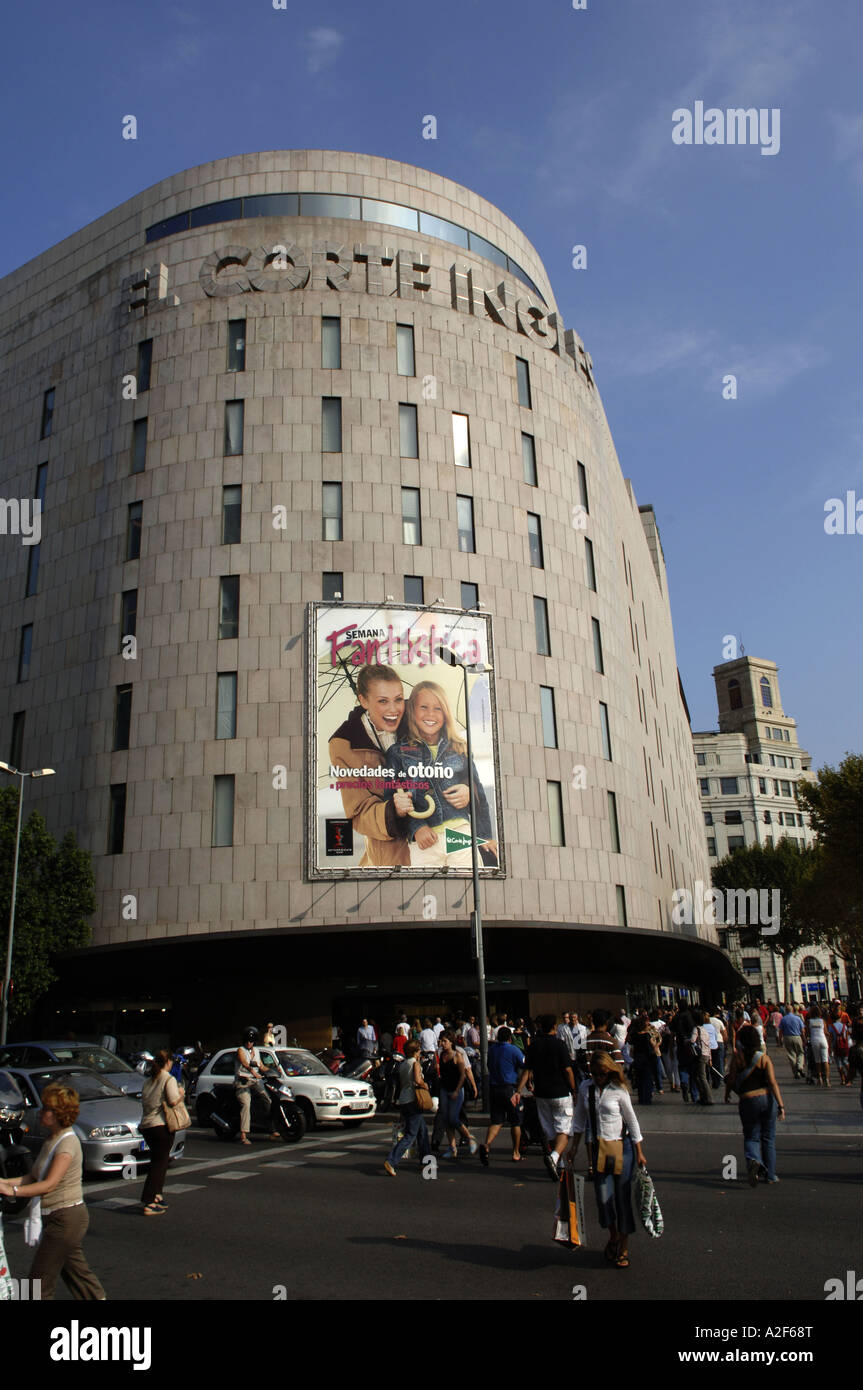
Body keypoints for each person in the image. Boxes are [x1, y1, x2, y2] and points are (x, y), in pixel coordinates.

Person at [0, 1082, 106, 1300]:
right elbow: (33, 1176)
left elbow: (49, 1184)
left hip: (66, 1218)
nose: (41, 1112)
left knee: (36, 1285)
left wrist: (13, 1191)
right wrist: (4, 1182)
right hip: (57, 1218)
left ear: (59, 1114)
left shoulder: (67, 1144)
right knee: (78, 1276)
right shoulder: (52, 1139)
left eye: (47, 1108)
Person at [387, 681, 498, 868]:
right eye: (424, 707)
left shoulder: (459, 748)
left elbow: (478, 796)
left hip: (460, 834)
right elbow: (393, 798)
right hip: (423, 842)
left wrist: (485, 836)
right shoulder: (397, 753)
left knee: (466, 889)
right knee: (426, 893)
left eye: (438, 708)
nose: (431, 714)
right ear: (412, 710)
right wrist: (416, 829)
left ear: (445, 713)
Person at [328, 663, 414, 867]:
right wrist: (394, 811)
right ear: (363, 700)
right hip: (391, 855)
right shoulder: (343, 744)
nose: (394, 710)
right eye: (383, 701)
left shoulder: (419, 716)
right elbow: (358, 813)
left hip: (434, 843)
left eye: (398, 699)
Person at [569, 1051, 647, 1269]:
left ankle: (623, 1246)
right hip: (600, 1149)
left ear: (609, 1071)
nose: (598, 1077)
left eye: (602, 1073)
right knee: (603, 1199)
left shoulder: (618, 1090)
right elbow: (579, 1119)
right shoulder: (586, 1088)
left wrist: (640, 1151)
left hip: (623, 1148)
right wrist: (574, 1147)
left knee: (622, 1199)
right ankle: (613, 1235)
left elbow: (632, 1122)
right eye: (594, 1074)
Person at [515, 1014, 576, 1181]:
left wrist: (518, 1090)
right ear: (554, 1027)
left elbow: (527, 1070)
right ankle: (555, 1157)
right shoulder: (560, 1044)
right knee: (565, 1129)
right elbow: (568, 1070)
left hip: (541, 1093)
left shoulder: (534, 1046)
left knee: (550, 1131)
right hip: (561, 1092)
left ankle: (559, 1163)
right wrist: (574, 1089)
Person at [725, 1024, 785, 1184]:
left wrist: (727, 1094)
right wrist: (781, 1105)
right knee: (768, 1138)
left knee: (751, 1136)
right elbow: (772, 1082)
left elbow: (731, 1079)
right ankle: (771, 1175)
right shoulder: (764, 1058)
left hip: (747, 1100)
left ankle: (754, 1159)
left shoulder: (737, 1058)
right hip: (766, 1098)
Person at [138, 1048, 183, 1216]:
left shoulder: (149, 1080)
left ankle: (157, 1195)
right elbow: (172, 1100)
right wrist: (181, 1095)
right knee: (159, 1164)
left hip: (147, 1125)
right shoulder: (168, 1079)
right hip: (161, 1125)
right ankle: (149, 1201)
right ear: (169, 1062)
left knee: (159, 1161)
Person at [384, 1042, 431, 1176]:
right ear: (416, 1052)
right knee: (411, 1134)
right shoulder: (415, 1064)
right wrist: (425, 1085)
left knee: (422, 1130)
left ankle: (426, 1161)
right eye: (419, 1050)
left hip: (404, 1099)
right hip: (413, 1100)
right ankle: (391, 1160)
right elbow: (417, 1080)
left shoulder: (403, 1064)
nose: (420, 1052)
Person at [480, 1027, 525, 1165]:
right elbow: (524, 1065)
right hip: (509, 1088)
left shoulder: (492, 1050)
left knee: (496, 1121)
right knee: (515, 1121)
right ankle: (516, 1152)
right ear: (510, 1038)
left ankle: (487, 1145)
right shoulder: (513, 1050)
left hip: (494, 1088)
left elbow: (488, 1065)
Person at [234, 1027, 278, 1144]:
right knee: (246, 1103)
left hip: (255, 1081)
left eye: (251, 1041)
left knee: (267, 1099)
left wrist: (273, 1071)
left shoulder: (257, 1051)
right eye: (247, 1041)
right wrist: (252, 1071)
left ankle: (271, 1128)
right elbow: (244, 1062)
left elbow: (261, 1066)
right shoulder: (240, 1050)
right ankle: (243, 1135)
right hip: (243, 1082)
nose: (249, 1043)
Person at [437, 1031, 478, 1159]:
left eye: (444, 1041)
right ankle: (452, 1147)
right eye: (441, 1041)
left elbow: (463, 1075)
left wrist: (457, 1090)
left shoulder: (457, 1055)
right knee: (446, 1119)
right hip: (444, 1089)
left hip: (456, 1090)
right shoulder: (440, 1054)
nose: (442, 1044)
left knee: (453, 1118)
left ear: (451, 1042)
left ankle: (469, 1137)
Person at [806, 1002, 830, 1087]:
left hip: (814, 1040)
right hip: (823, 1040)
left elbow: (807, 1033)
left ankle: (819, 1078)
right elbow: (826, 1032)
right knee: (825, 1060)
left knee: (817, 1060)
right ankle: (827, 1079)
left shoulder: (809, 1021)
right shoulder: (822, 1021)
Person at [778, 1004, 806, 1078]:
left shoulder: (783, 1019)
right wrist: (804, 1039)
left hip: (787, 1037)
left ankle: (796, 1073)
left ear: (786, 1011)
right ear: (792, 1010)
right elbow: (802, 1030)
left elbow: (780, 1031)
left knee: (791, 1054)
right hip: (797, 1036)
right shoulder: (797, 1018)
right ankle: (800, 1066)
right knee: (800, 1052)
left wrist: (780, 1040)